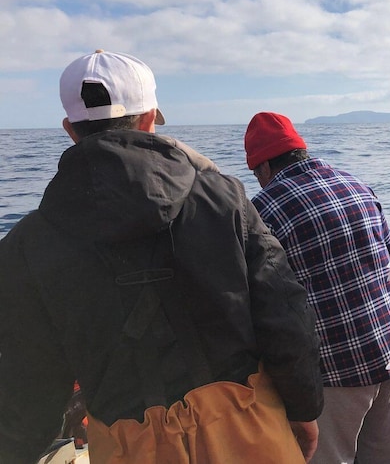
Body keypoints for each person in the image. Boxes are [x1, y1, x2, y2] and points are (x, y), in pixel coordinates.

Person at [0, 50, 323, 464]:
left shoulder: (26, 246)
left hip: (128, 450)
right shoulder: (224, 199)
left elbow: (29, 384)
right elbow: (284, 315)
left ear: (69, 129)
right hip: (249, 433)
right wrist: (304, 411)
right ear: (150, 118)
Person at [244, 112, 390, 464]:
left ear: (264, 168)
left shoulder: (263, 209)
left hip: (336, 370)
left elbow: (258, 299)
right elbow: (389, 259)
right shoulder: (356, 184)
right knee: (380, 456)